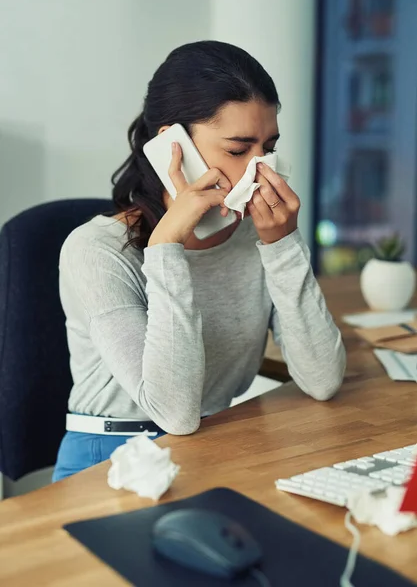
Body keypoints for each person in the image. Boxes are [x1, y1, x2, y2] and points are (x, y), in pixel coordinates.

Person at [52, 41, 346, 482]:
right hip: (110, 457)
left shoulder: (261, 234)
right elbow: (175, 412)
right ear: (172, 144)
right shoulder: (96, 250)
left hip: (216, 444)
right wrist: (167, 245)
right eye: (238, 149)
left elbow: (322, 379)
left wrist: (283, 246)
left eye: (269, 147)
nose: (261, 168)